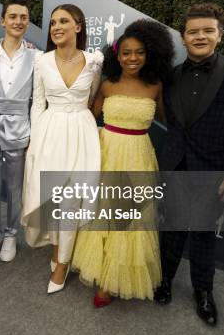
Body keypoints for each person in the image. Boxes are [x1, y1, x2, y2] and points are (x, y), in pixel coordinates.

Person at [154, 3, 224, 326]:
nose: (200, 36)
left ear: (220, 35)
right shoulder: (169, 77)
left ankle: (203, 292)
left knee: (202, 234)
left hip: (213, 172)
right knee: (170, 228)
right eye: (193, 31)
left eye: (207, 30)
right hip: (175, 166)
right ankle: (164, 281)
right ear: (183, 37)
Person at [71, 19, 174, 307]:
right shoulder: (107, 84)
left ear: (149, 54)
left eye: (139, 52)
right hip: (106, 152)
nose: (132, 58)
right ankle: (101, 273)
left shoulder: (156, 86)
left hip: (139, 155)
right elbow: (87, 119)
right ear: (117, 55)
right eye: (126, 52)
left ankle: (112, 281)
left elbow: (171, 121)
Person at [21, 4, 103, 294]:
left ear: (78, 26)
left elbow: (93, 98)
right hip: (49, 132)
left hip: (81, 131)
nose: (56, 26)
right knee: (52, 196)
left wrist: (82, 122)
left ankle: (63, 262)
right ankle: (56, 249)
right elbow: (36, 103)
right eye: (53, 22)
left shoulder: (95, 60)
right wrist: (34, 141)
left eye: (63, 21)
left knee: (71, 198)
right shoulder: (41, 61)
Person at [0, 0, 40, 263]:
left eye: (23, 17)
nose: (18, 21)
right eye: (13, 16)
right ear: (3, 20)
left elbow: (39, 97)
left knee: (15, 186)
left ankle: (11, 234)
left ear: (27, 22)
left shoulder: (37, 56)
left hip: (19, 125)